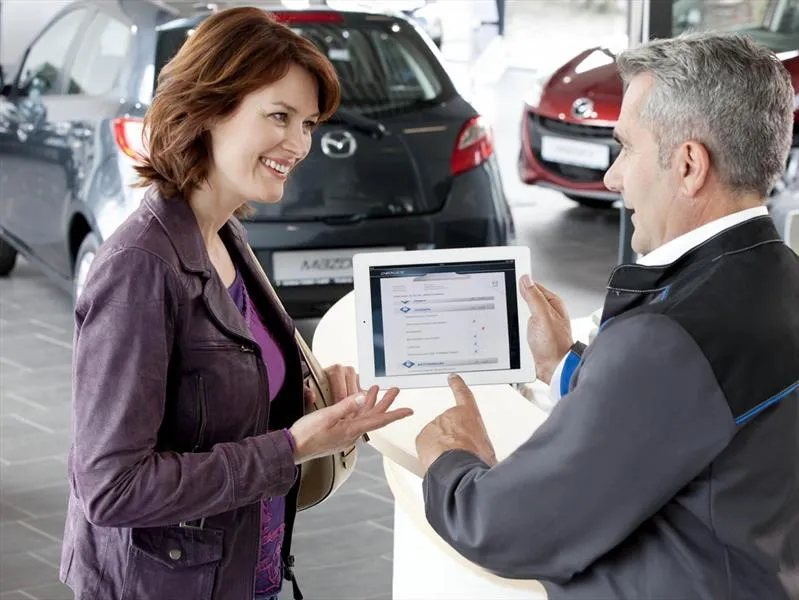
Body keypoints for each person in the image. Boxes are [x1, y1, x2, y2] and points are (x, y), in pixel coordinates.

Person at [415, 32, 799, 600]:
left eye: (625, 148)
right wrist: (564, 367)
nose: (612, 177)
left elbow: (506, 528)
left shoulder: (668, 339)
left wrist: (453, 458)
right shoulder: (780, 277)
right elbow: (699, 427)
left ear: (689, 165)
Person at [59, 8, 412, 600]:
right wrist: (295, 445)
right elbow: (112, 489)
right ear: (207, 109)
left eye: (308, 124)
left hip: (247, 570)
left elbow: (214, 400)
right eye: (280, 116)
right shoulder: (140, 269)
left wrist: (305, 400)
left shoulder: (223, 234)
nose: (299, 144)